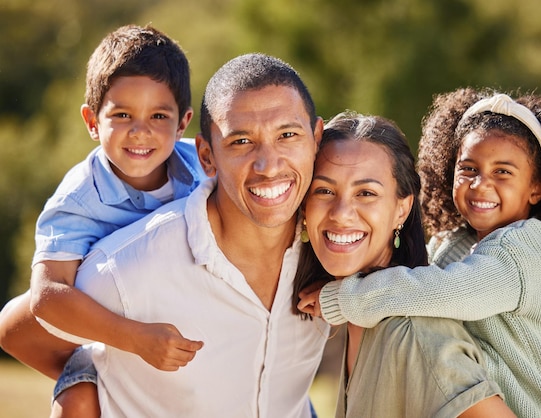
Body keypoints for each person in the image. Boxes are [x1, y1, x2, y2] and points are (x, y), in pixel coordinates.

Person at [300, 89, 541, 416]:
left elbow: (444, 290)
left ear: (536, 187)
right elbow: (419, 281)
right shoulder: (455, 242)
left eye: (503, 172)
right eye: (468, 168)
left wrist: (345, 298)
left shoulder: (529, 246)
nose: (480, 183)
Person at [40, 53, 328, 417]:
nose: (268, 166)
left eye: (287, 135)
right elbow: (29, 323)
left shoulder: (333, 249)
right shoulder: (123, 267)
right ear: (206, 156)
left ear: (316, 138)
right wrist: (85, 383)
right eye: (241, 142)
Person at [0, 24, 206, 417]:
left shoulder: (203, 170)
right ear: (93, 122)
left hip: (189, 329)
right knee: (75, 401)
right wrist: (136, 340)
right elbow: (47, 295)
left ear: (183, 123)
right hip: (112, 340)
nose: (140, 130)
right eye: (122, 114)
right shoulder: (79, 199)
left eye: (159, 115)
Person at [294, 111, 516, 418]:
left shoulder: (415, 337)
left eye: (366, 193)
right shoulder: (359, 321)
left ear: (402, 209)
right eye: (325, 190)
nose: (341, 213)